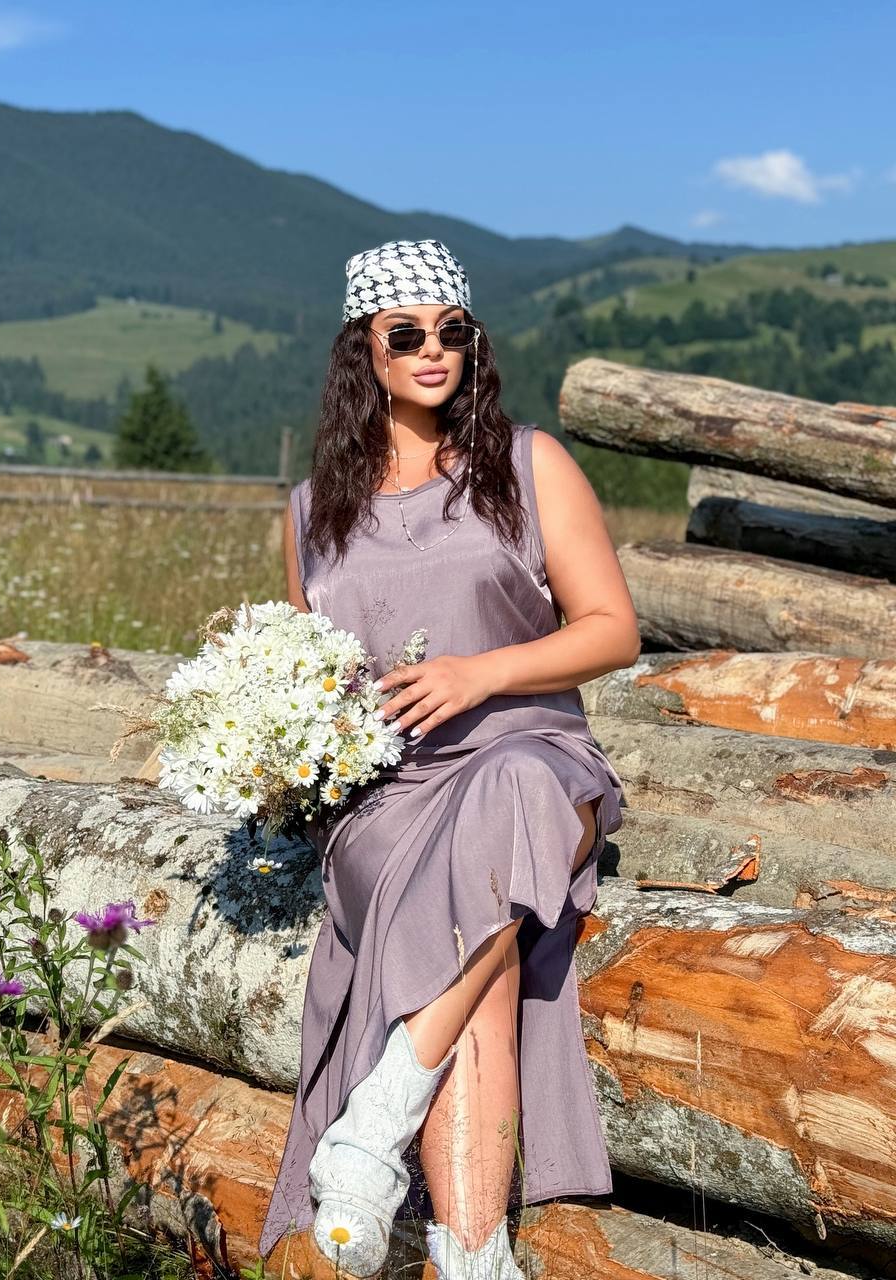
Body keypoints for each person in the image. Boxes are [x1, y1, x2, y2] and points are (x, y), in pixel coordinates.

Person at [257, 238, 640, 1278]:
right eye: (407, 332)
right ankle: (475, 1257)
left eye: (453, 330)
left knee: (510, 792)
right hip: (394, 800)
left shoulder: (528, 463)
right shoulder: (311, 510)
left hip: (537, 760)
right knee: (484, 961)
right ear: (364, 349)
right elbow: (313, 683)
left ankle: (377, 1119)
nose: (434, 349)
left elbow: (613, 629)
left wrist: (481, 675)